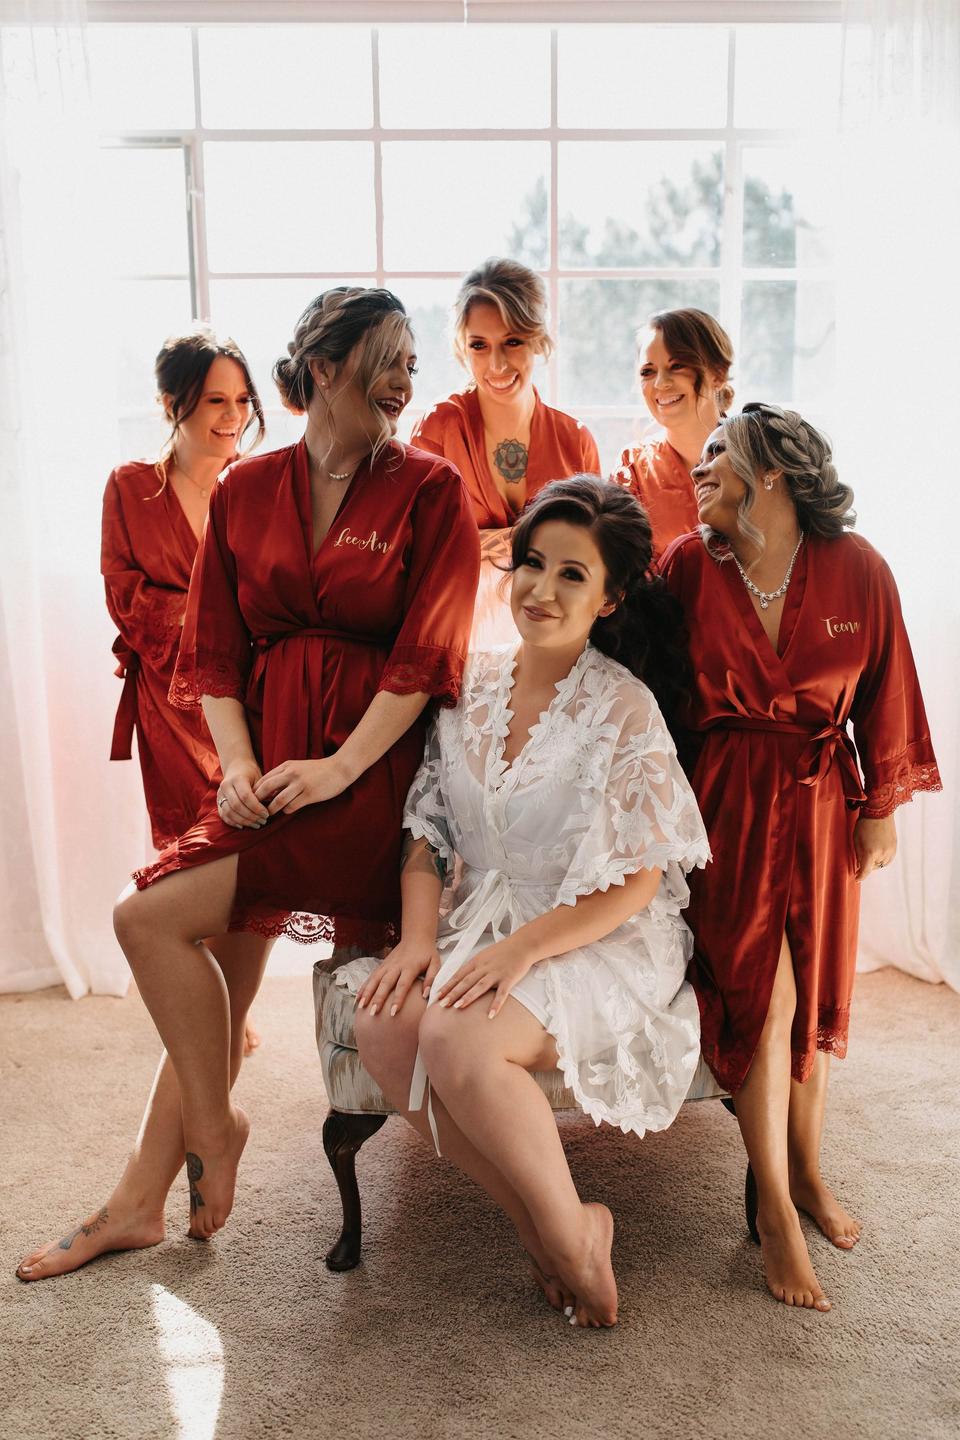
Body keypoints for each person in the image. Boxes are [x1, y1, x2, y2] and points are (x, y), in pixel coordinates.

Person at [16, 287, 479, 1282]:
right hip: (270, 776)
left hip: (371, 785)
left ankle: (182, 1155)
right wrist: (235, 767)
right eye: (387, 359)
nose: (406, 381)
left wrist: (341, 766)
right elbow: (214, 652)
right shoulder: (247, 489)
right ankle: (170, 1167)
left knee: (171, 931)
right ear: (323, 367)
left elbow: (426, 657)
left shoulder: (431, 489)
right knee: (176, 943)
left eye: (412, 362)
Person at [345, 476, 710, 1328]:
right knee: (385, 1024)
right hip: (483, 918)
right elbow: (429, 829)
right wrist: (418, 939)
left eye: (572, 574)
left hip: (597, 933)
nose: (541, 589)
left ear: (610, 597)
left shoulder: (624, 706)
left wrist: (520, 951)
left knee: (455, 1035)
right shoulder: (467, 684)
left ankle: (575, 1235)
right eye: (532, 563)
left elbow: (639, 879)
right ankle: (546, 1227)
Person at [660, 402, 941, 1313]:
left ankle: (810, 1171)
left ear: (772, 470)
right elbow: (647, 692)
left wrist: (880, 810)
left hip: (823, 800)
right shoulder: (686, 566)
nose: (699, 466)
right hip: (724, 807)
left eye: (718, 452)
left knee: (815, 994)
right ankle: (775, 1210)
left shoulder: (859, 568)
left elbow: (889, 686)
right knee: (766, 995)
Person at [102, 327, 268, 1057]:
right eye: (214, 401)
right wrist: (209, 623)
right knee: (186, 853)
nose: (233, 416)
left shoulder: (257, 488)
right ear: (173, 403)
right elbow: (125, 593)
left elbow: (270, 600)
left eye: (242, 400)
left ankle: (229, 994)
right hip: (168, 703)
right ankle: (199, 1000)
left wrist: (232, 633)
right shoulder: (130, 487)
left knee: (242, 843)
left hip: (247, 699)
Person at [411, 258, 600, 645]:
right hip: (459, 636)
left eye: (512, 342)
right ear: (462, 347)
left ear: (538, 339)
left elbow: (595, 556)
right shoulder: (439, 429)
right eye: (479, 345)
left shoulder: (575, 439)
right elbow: (417, 551)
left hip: (554, 638)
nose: (496, 364)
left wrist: (483, 543)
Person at [613, 308, 734, 557]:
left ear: (718, 374)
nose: (660, 383)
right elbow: (620, 566)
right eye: (648, 371)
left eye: (677, 366)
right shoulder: (633, 467)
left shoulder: (759, 456)